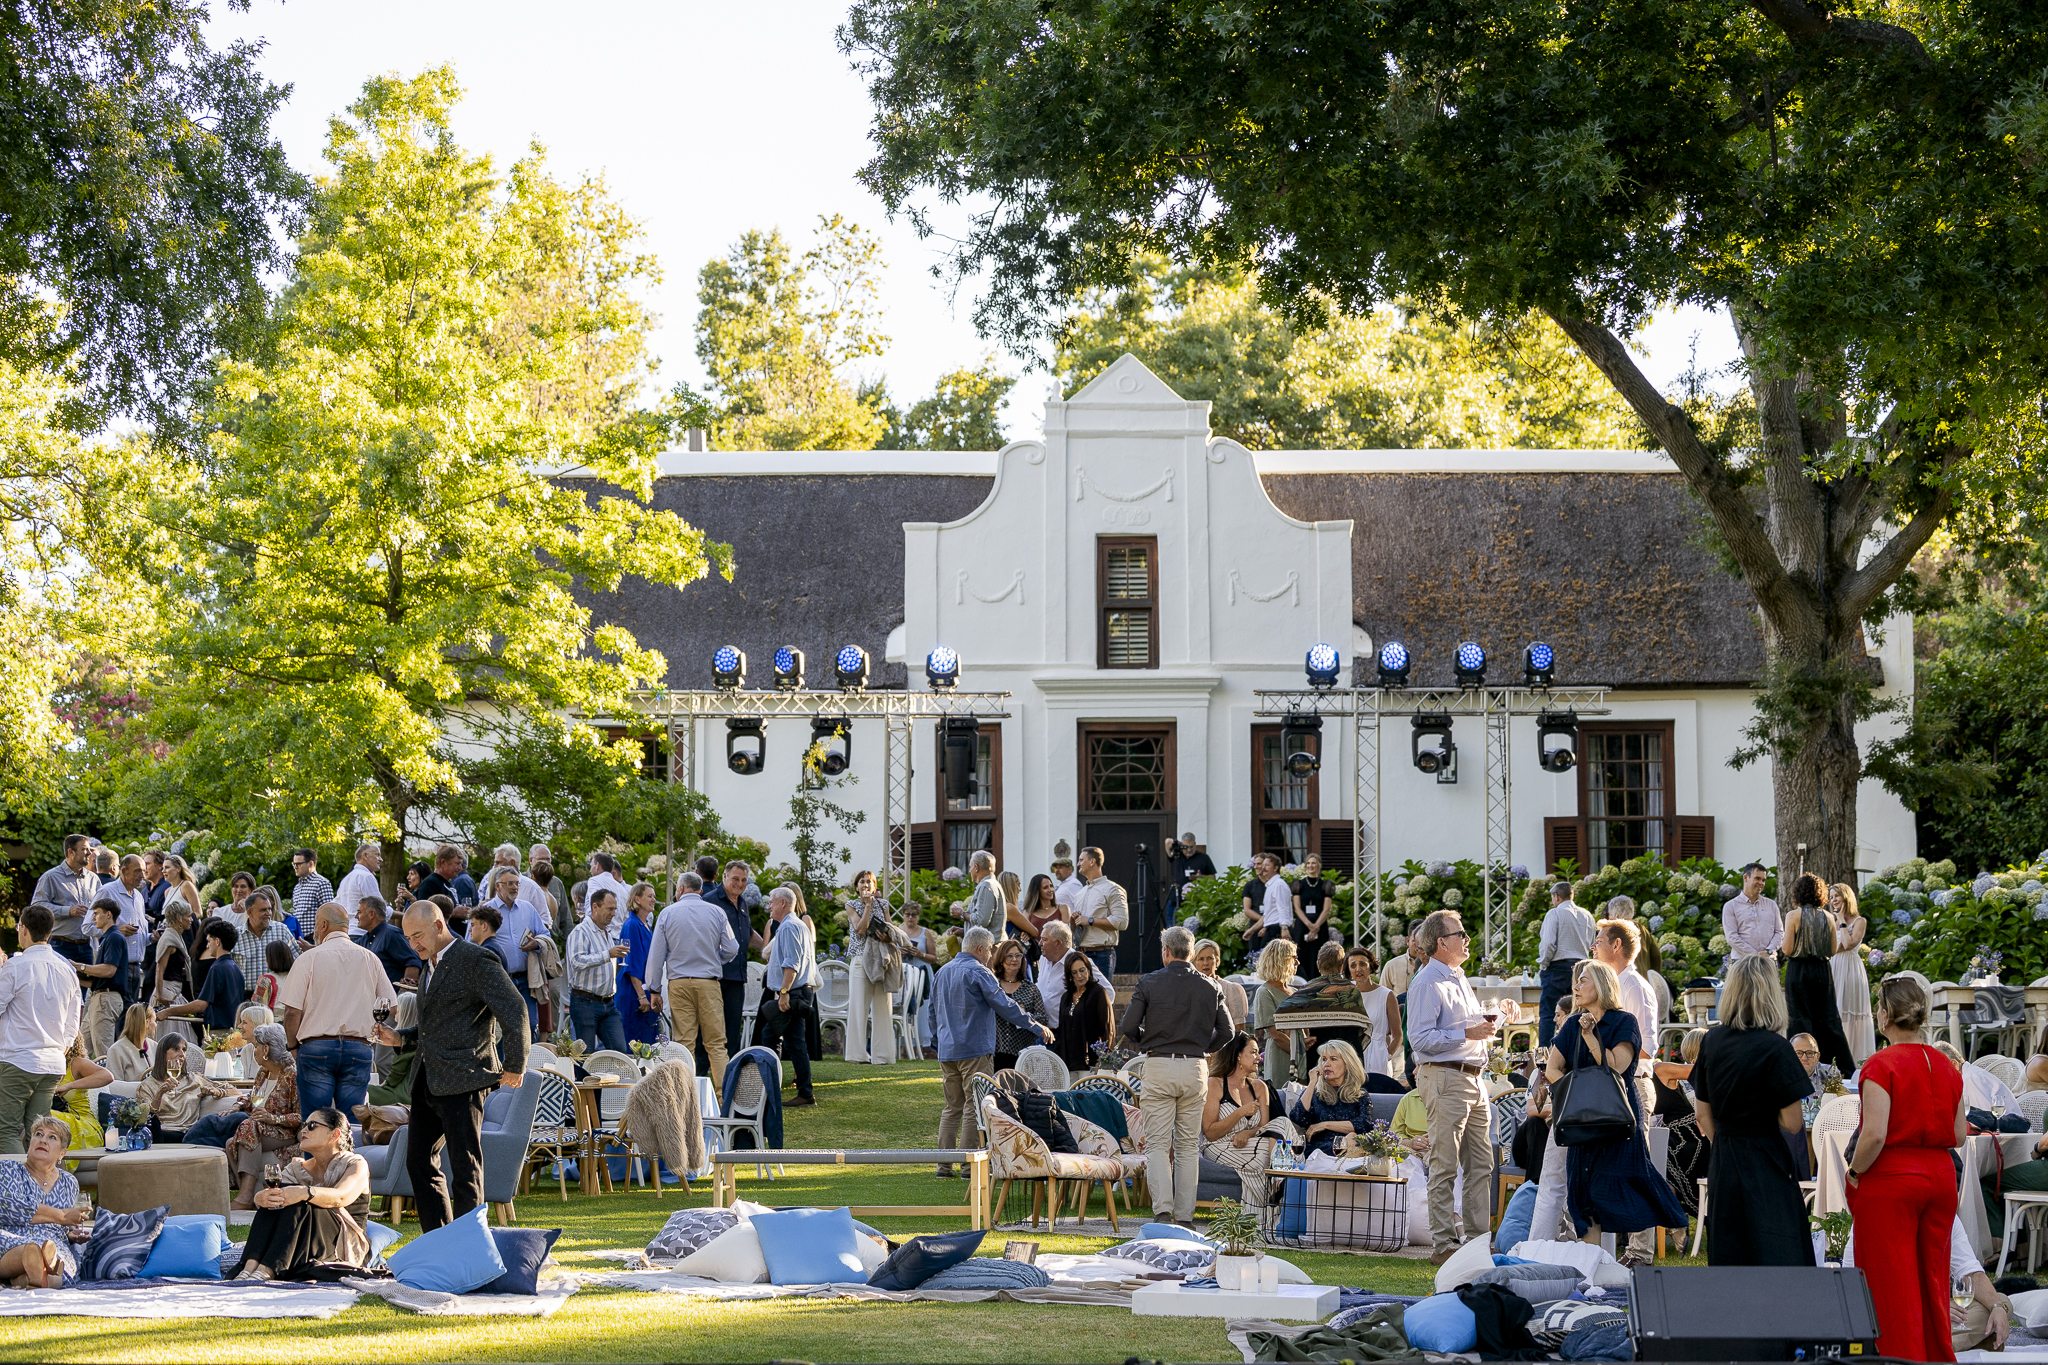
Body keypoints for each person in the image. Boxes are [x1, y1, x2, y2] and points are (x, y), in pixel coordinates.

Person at [373, 900, 527, 1232]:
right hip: (427, 1080)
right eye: (408, 939)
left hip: (466, 1079)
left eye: (418, 936)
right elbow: (433, 1029)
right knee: (418, 1162)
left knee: (465, 1166)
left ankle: (471, 1243)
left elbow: (515, 1008)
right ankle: (441, 1241)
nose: (413, 945)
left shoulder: (475, 959)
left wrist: (516, 1063)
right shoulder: (430, 965)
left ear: (440, 926)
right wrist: (398, 1039)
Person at [1847, 975, 1967, 1361]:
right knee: (1932, 1279)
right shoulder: (1947, 1066)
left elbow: (1874, 1135)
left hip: (1893, 1178)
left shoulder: (1881, 1064)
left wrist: (1853, 1173)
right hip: (1940, 1176)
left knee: (1892, 1287)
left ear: (1884, 1015)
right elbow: (1960, 1134)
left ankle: (1900, 1358)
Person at [1544, 959, 1686, 1262]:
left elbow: (1618, 1067)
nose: (1576, 986)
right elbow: (1552, 1069)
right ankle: (1590, 1265)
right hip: (1582, 1120)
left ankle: (1642, 1251)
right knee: (1584, 1192)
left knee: (1627, 1182)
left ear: (1603, 985)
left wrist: (1591, 1038)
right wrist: (1575, 1091)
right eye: (1577, 981)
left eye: (1584, 980)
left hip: (1617, 1119)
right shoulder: (1571, 1023)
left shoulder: (1624, 1022)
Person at [1691, 953, 1814, 1265]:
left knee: (1730, 1252)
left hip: (1725, 1156)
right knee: (1776, 1250)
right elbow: (1793, 1122)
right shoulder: (1775, 1047)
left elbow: (1702, 1113)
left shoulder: (1712, 1040)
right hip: (1765, 1158)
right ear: (1770, 994)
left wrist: (1728, 1135)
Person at [1116, 924, 1236, 1226]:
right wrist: (1201, 1048)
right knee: (1186, 1145)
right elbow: (1228, 1032)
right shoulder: (1211, 986)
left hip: (1159, 1064)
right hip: (1195, 1066)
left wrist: (1149, 1040)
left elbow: (1127, 1027)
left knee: (1157, 1144)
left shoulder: (1150, 981)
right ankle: (1184, 1216)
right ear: (1192, 953)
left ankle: (1163, 1211)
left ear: (1166, 952)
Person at [1405, 908, 1496, 1264]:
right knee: (1444, 1163)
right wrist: (1467, 1033)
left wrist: (1495, 1017)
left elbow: (1471, 1027)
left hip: (1473, 1077)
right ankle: (1442, 1245)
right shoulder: (1427, 981)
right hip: (1445, 1076)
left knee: (1481, 1164)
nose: (1467, 939)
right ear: (1442, 943)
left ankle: (1477, 1242)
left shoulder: (1458, 977)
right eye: (1461, 934)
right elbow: (1420, 1040)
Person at [931, 925, 1056, 1176]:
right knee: (972, 1107)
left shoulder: (942, 972)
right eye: (990, 950)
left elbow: (932, 1013)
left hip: (948, 1050)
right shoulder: (979, 972)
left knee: (951, 1108)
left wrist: (938, 1043)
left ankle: (943, 1165)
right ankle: (969, 1165)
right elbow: (1005, 1005)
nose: (991, 956)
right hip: (975, 1049)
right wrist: (1036, 1025)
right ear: (980, 949)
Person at [279, 903, 398, 1117]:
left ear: (323, 925)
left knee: (316, 1121)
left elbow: (291, 1012)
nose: (315, 930)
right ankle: (349, 1151)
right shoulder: (370, 958)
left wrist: (292, 1046)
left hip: (316, 1046)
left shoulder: (309, 958)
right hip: (358, 1046)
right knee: (351, 1123)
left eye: (316, 925)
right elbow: (391, 1006)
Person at [237, 1107, 375, 1280]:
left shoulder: (355, 1164)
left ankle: (267, 1269)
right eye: (304, 1125)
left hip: (344, 1241)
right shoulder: (297, 1168)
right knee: (278, 1198)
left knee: (300, 1201)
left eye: (312, 1125)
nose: (303, 1130)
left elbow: (341, 1196)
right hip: (304, 1242)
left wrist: (305, 1192)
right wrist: (261, 1198)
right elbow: (278, 1194)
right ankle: (249, 1266)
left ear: (334, 1135)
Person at [645, 870, 740, 1084]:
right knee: (716, 1043)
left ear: (680, 889)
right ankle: (722, 1099)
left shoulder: (668, 913)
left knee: (684, 1044)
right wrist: (717, 959)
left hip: (679, 983)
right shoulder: (716, 912)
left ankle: (684, 1096)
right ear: (700, 890)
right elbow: (732, 948)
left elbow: (656, 956)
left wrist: (654, 990)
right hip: (708, 982)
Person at [0, 907, 81, 1153]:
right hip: (52, 1063)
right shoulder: (66, 968)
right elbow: (73, 1022)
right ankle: (40, 1189)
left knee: (7, 1131)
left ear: (24, 929)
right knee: (38, 1134)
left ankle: (17, 1192)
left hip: (18, 1059)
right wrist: (59, 1049)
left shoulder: (16, 966)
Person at [1202, 1031, 1292, 1235]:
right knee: (1269, 1152)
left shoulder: (1259, 1087)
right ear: (1237, 1056)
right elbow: (1210, 1133)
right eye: (1252, 1052)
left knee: (1283, 1124)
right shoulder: (1215, 1084)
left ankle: (1274, 1188)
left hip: (1254, 1144)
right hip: (1220, 1146)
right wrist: (1240, 1113)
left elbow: (1266, 1127)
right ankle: (1279, 1187)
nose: (1258, 1057)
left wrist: (1248, 1134)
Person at [209, 1023, 302, 1209]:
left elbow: (302, 1116)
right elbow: (253, 1099)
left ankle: (244, 1198)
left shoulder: (293, 1074)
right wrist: (237, 1106)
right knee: (230, 1143)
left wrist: (273, 1119)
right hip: (262, 1130)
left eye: (257, 1046)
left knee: (247, 1126)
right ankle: (255, 1195)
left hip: (285, 1133)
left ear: (266, 1049)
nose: (255, 1051)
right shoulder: (263, 1073)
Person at [1779, 873, 1856, 1074]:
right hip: (1822, 971)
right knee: (1828, 1019)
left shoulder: (1793, 916)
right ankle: (1841, 1071)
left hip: (1798, 971)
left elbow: (1787, 950)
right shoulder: (1828, 917)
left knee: (1799, 1018)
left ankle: (1798, 1068)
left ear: (1798, 893)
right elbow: (1832, 950)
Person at [0, 1115, 87, 1285]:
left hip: (52, 1243)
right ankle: (37, 1264)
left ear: (62, 1153)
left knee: (59, 1263)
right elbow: (9, 1207)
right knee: (33, 1250)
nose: (43, 1140)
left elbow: (60, 1228)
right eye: (38, 1134)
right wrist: (61, 1216)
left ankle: (28, 1278)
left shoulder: (69, 1182)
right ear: (29, 1144)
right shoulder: (8, 1169)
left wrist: (70, 1235)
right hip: (12, 1235)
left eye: (52, 1137)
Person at [758, 886, 822, 1107]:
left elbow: (791, 964)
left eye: (771, 902)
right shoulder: (796, 925)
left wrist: (783, 993)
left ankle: (778, 1090)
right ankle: (801, 1092)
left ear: (783, 903)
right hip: (798, 991)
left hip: (793, 992)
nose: (768, 906)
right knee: (789, 1041)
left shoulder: (788, 927)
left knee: (774, 1038)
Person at [703, 860, 767, 1064]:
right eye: (735, 879)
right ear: (724, 877)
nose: (739, 884)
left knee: (732, 1027)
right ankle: (702, 1072)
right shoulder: (710, 901)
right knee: (710, 1025)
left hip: (737, 976)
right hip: (715, 975)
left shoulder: (742, 903)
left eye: (744, 880)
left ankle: (731, 1071)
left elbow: (747, 934)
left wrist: (768, 950)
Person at [1651, 1027, 1712, 1223]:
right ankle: (1673, 1215)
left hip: (1696, 1139)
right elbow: (1697, 1071)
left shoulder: (1706, 1080)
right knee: (1665, 1156)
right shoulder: (1665, 1070)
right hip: (1677, 1138)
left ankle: (1674, 1215)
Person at [479, 867, 549, 1035]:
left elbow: (545, 935)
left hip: (525, 980)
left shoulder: (528, 909)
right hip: (498, 980)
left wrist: (537, 944)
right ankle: (502, 1062)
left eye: (517, 883)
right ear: (498, 886)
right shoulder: (486, 912)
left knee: (530, 1026)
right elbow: (472, 944)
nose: (515, 887)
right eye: (509, 883)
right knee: (500, 1030)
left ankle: (526, 1061)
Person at [846, 871, 903, 1065]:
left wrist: (887, 937)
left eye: (869, 881)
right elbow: (860, 930)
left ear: (874, 886)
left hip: (880, 959)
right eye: (862, 881)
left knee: (883, 1006)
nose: (865, 884)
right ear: (856, 886)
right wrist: (868, 906)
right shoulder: (851, 905)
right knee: (858, 1007)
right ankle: (857, 1055)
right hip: (861, 959)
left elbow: (891, 930)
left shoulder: (884, 904)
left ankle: (883, 1056)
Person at [566, 884, 630, 1055]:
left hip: (608, 1003)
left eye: (615, 909)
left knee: (619, 1051)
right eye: (609, 909)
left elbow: (607, 963)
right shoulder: (581, 932)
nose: (613, 913)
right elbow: (576, 962)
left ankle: (610, 1081)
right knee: (584, 1056)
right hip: (585, 1002)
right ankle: (583, 1081)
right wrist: (607, 954)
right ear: (595, 906)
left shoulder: (606, 933)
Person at [135, 1035, 237, 1141]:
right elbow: (145, 1120)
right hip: (162, 1134)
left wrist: (218, 1091)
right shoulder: (146, 1086)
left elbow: (235, 1090)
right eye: (175, 1049)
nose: (181, 1054)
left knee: (232, 1120)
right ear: (162, 1053)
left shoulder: (194, 1079)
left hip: (190, 1135)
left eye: (184, 1050)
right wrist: (160, 1092)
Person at [1289, 1039, 1376, 1158]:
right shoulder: (1315, 1092)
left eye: (1333, 1059)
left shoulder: (1360, 1095)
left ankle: (1340, 1171)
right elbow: (1298, 1118)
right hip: (1317, 1152)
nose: (1326, 1064)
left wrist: (1325, 1125)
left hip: (1348, 1150)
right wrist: (1312, 1084)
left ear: (1347, 1064)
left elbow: (1365, 1125)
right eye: (1324, 1059)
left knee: (1352, 1137)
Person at [1536, 880, 1596, 1050]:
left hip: (1556, 968)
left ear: (1556, 896)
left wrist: (1544, 964)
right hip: (1582, 969)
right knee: (1579, 1011)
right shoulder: (1587, 915)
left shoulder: (1554, 914)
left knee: (1548, 1014)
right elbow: (1593, 944)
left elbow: (1548, 944)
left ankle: (1545, 1056)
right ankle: (1579, 1051)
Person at [27, 834, 99, 968]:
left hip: (87, 946)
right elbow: (37, 907)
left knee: (84, 987)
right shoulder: (50, 877)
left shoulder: (94, 879)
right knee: (60, 987)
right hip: (61, 946)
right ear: (70, 852)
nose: (89, 853)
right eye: (85, 849)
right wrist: (68, 911)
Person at [159, 921, 244, 1033]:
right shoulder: (236, 968)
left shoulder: (217, 968)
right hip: (234, 1031)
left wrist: (167, 1012)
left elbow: (201, 1005)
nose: (207, 946)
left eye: (209, 941)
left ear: (217, 941)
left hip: (219, 1033)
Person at [77, 900, 134, 1057]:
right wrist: (73, 974)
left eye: (96, 913)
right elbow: (97, 980)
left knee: (103, 1053)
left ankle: (109, 1081)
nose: (93, 918)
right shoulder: (107, 938)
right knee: (82, 1051)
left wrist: (79, 966)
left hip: (106, 999)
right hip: (99, 997)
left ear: (108, 914)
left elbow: (109, 970)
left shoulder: (114, 937)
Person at [1827, 882, 1875, 1065]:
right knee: (1836, 1012)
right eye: (1831, 898)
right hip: (1834, 969)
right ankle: (1836, 1059)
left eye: (1836, 896)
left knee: (1852, 1013)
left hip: (1851, 970)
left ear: (1846, 896)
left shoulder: (1859, 921)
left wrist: (1842, 921)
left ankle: (1856, 1060)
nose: (1833, 901)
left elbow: (1847, 944)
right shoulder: (1830, 920)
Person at [990, 939, 1049, 1072]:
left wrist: (1025, 1014)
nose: (1014, 959)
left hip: (1023, 1052)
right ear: (1001, 959)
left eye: (1018, 955)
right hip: (995, 1051)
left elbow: (1043, 1019)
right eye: (1009, 955)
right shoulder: (992, 986)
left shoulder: (1030, 989)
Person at [1346, 946, 1403, 1081]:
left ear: (1371, 967)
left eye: (1362, 964)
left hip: (1379, 1059)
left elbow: (1398, 1035)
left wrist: (1386, 1055)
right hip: (1351, 1058)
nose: (1358, 969)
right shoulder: (1346, 994)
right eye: (1353, 965)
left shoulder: (1386, 995)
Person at [150, 902, 201, 1049]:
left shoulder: (175, 937)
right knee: (173, 1040)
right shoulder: (169, 939)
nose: (191, 919)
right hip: (168, 994)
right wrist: (159, 996)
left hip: (174, 991)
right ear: (179, 918)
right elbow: (160, 968)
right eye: (188, 916)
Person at [1072, 846, 1129, 979]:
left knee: (1102, 998)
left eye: (1081, 860)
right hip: (1080, 954)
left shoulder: (1113, 889)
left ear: (1092, 862)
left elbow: (1122, 922)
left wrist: (1090, 920)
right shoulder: (1079, 893)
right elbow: (1079, 926)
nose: (1078, 864)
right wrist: (1073, 921)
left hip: (1102, 955)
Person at [1034, 919, 1110, 1019]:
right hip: (1042, 1029)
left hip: (1066, 1030)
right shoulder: (1044, 958)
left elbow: (1108, 992)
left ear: (1057, 943)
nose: (1040, 943)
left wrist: (1082, 1016)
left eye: (1044, 940)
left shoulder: (1080, 962)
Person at [1250, 938, 1300, 1086]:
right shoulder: (1265, 992)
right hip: (1281, 1057)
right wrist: (1299, 1054)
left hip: (1301, 1058)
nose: (1297, 963)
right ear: (1281, 960)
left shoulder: (1295, 991)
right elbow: (1276, 1035)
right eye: (1294, 958)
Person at [1053, 949, 1114, 1072]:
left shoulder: (1098, 992)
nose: (1080, 976)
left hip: (1091, 1062)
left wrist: (1102, 1059)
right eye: (1074, 972)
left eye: (1082, 970)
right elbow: (1061, 1032)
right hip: (1069, 1062)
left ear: (1088, 970)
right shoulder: (1066, 997)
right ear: (1070, 976)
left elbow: (1108, 1028)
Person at [616, 882, 660, 1048]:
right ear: (637, 899)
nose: (653, 899)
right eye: (649, 896)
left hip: (645, 990)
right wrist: (641, 996)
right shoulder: (632, 925)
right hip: (633, 994)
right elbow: (632, 963)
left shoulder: (645, 925)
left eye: (654, 896)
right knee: (633, 1044)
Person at [235, 890, 296, 996]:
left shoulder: (282, 930)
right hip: (246, 996)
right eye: (263, 910)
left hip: (277, 997)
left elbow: (297, 962)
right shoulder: (236, 935)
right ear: (250, 912)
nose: (268, 913)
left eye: (269, 909)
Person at [364, 992, 419, 1108]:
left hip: (402, 1095)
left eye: (397, 1008)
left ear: (404, 1012)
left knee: (358, 1090)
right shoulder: (418, 1039)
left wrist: (382, 1085)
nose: (394, 1011)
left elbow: (395, 1075)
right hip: (411, 1093)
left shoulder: (406, 1043)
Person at [355, 895, 420, 990]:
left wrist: (404, 994)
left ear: (372, 914)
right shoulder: (364, 940)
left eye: (359, 912)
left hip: (393, 1000)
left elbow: (413, 962)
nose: (356, 916)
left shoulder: (391, 934)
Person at [1722, 862, 1782, 962]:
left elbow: (1779, 932)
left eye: (1763, 880)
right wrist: (1755, 954)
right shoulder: (1731, 906)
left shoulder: (1771, 905)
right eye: (1757, 878)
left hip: (1769, 961)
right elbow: (1732, 937)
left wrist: (1769, 951)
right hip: (1743, 962)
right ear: (1745, 878)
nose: (1761, 883)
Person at [1243, 854, 1292, 960]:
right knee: (1269, 962)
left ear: (1275, 868)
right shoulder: (1271, 885)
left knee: (1276, 961)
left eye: (1267, 865)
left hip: (1277, 929)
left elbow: (1283, 908)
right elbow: (1268, 914)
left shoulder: (1278, 884)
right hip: (1271, 928)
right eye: (1263, 865)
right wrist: (1252, 930)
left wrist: (1284, 928)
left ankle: (1303, 977)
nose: (1262, 868)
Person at [1192, 939, 1248, 1028]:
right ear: (1194, 963)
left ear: (1217, 961)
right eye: (1201, 959)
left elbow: (1239, 1029)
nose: (1205, 963)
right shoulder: (1189, 989)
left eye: (1210, 958)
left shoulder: (1231, 989)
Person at [1015, 872, 1068, 964]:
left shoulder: (1063, 909)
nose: (1050, 890)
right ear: (1037, 891)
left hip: (1059, 957)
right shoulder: (1028, 912)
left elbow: (1066, 935)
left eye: (1051, 886)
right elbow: (1024, 934)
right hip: (1037, 958)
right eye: (1045, 887)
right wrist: (1026, 936)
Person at [1292, 854, 1336, 960]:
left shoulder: (1325, 885)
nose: (1310, 866)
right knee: (1300, 956)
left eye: (1313, 863)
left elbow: (1326, 909)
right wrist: (1309, 925)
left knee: (1319, 956)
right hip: (1302, 926)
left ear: (1319, 865)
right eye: (1308, 863)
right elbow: (1297, 908)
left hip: (1320, 926)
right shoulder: (1298, 884)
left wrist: (1316, 927)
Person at [334, 842, 383, 926]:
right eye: (377, 855)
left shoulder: (346, 879)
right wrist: (404, 915)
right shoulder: (366, 876)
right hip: (362, 932)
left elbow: (336, 905)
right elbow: (380, 908)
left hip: (347, 931)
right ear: (365, 856)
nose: (380, 859)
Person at [289, 849, 335, 934]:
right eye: (294, 864)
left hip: (314, 938)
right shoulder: (297, 887)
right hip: (299, 937)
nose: (295, 867)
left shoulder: (321, 883)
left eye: (298, 864)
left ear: (310, 864)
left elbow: (329, 913)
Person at [106, 1003, 154, 1083]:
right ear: (147, 1023)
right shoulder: (116, 1051)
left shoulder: (155, 1047)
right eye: (154, 1021)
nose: (156, 1025)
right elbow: (114, 1086)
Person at [253, 940, 295, 1012]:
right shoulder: (297, 976)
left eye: (267, 956)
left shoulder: (265, 980)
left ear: (272, 959)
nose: (265, 959)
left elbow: (257, 1007)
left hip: (272, 1021)